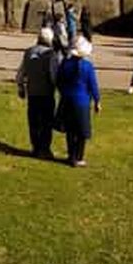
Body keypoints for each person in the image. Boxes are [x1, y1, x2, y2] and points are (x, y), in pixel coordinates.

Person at [56, 36, 101, 167]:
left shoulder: (65, 63)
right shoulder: (87, 66)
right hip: (82, 102)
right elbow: (93, 85)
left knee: (70, 130)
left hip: (67, 100)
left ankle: (71, 156)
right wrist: (97, 100)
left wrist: (63, 92)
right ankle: (79, 157)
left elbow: (59, 81)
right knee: (82, 132)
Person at [16, 27, 59, 159]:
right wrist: (58, 86)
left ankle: (35, 147)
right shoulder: (50, 54)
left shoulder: (28, 52)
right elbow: (53, 74)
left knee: (34, 121)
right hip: (46, 92)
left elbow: (21, 73)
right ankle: (45, 149)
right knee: (46, 122)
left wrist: (21, 88)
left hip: (32, 92)